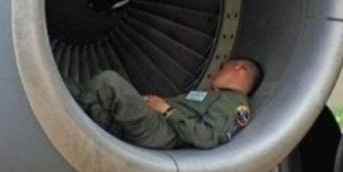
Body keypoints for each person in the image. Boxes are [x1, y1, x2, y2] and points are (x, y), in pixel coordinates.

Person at [66, 58, 263, 150]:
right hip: (153, 119)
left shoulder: (235, 104)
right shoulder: (216, 96)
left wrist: (166, 110)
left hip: (161, 131)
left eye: (223, 67)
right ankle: (89, 117)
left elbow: (207, 137)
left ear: (239, 69)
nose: (217, 71)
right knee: (66, 86)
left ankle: (73, 125)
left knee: (110, 82)